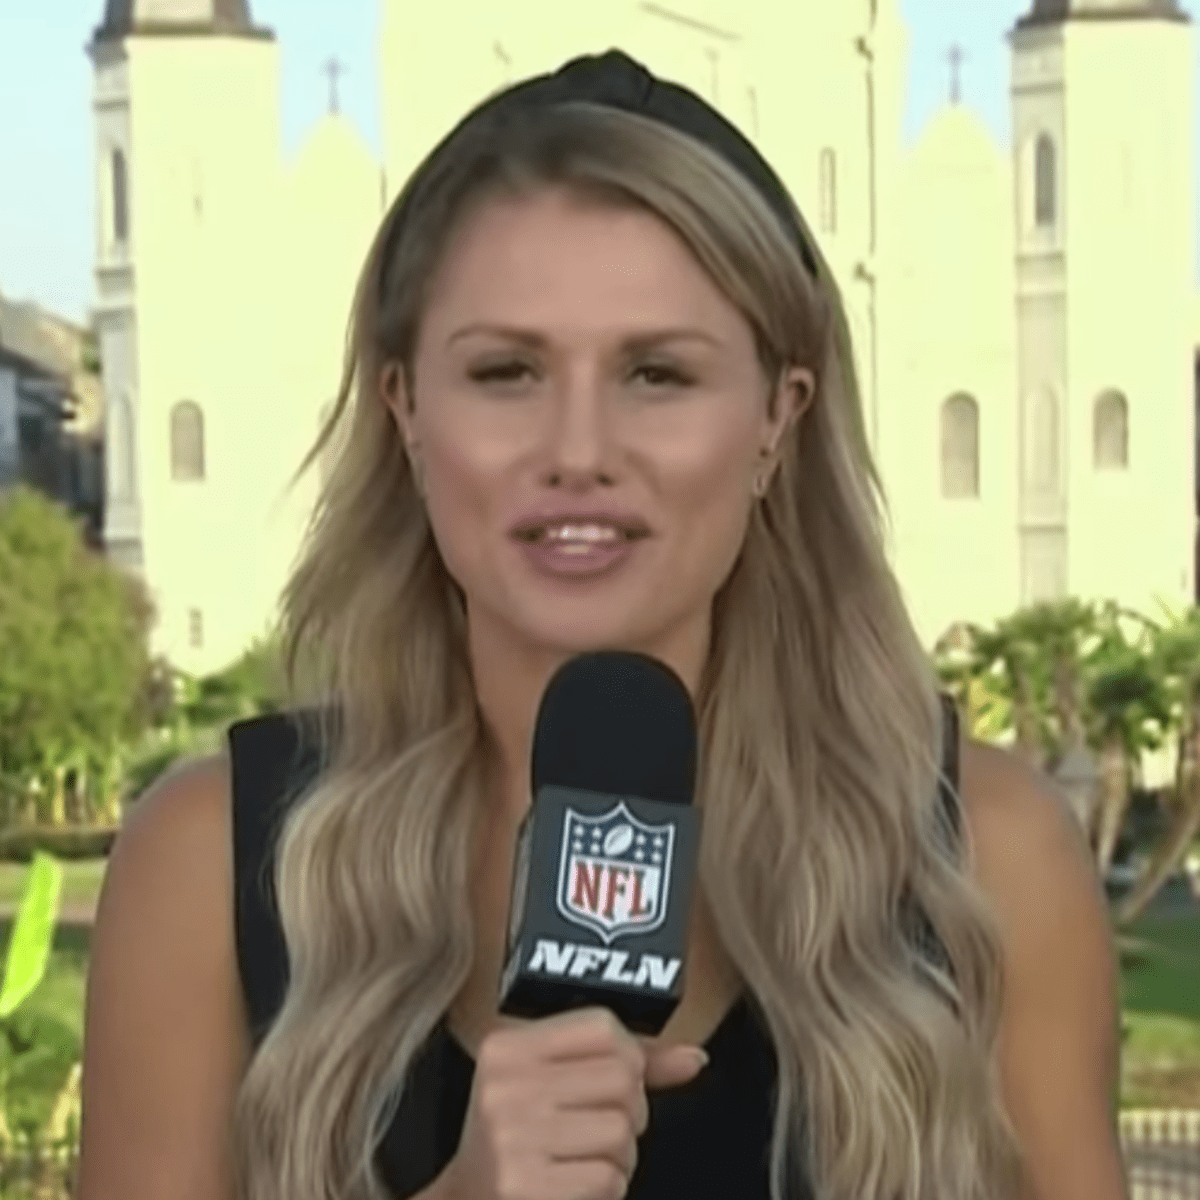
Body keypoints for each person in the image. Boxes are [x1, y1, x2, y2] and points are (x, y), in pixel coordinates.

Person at [76, 49, 1129, 1200]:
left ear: (779, 417)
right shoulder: (212, 865)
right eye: (508, 371)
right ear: (407, 408)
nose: (577, 454)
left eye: (657, 375)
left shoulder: (987, 860)